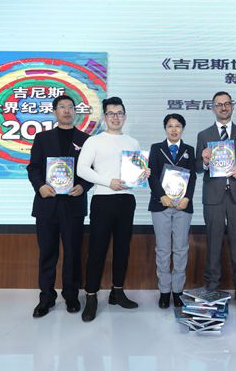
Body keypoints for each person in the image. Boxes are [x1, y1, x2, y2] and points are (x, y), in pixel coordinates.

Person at [76, 96, 148, 322]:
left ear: (125, 116)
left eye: (119, 113)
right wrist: (109, 182)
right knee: (97, 250)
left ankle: (117, 292)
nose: (115, 117)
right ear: (104, 117)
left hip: (126, 200)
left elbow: (135, 173)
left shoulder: (133, 142)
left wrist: (143, 174)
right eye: (111, 113)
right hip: (103, 200)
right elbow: (81, 169)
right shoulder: (94, 141)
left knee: (122, 249)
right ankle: (91, 296)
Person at [27, 94, 92, 318]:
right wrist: (40, 186)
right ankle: (46, 298)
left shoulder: (86, 140)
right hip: (47, 203)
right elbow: (33, 168)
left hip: (73, 204)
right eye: (62, 107)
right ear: (54, 111)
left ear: (76, 111)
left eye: (70, 107)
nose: (66, 110)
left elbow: (91, 171)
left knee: (73, 253)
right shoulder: (42, 138)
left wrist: (83, 186)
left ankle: (71, 296)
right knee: (47, 253)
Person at [195, 91, 236, 311]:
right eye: (219, 104)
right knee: (213, 244)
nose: (223, 107)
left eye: (227, 103)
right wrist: (204, 161)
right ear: (213, 108)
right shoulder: (204, 135)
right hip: (213, 197)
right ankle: (212, 288)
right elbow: (197, 168)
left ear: (232, 106)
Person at [148, 114, 197, 309]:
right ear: (165, 128)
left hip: (182, 207)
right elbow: (151, 176)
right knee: (162, 250)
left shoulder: (189, 150)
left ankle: (177, 291)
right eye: (170, 126)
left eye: (177, 126)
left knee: (180, 249)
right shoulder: (156, 148)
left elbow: (192, 177)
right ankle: (164, 291)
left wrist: (187, 198)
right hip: (160, 205)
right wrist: (162, 195)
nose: (174, 129)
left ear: (182, 129)